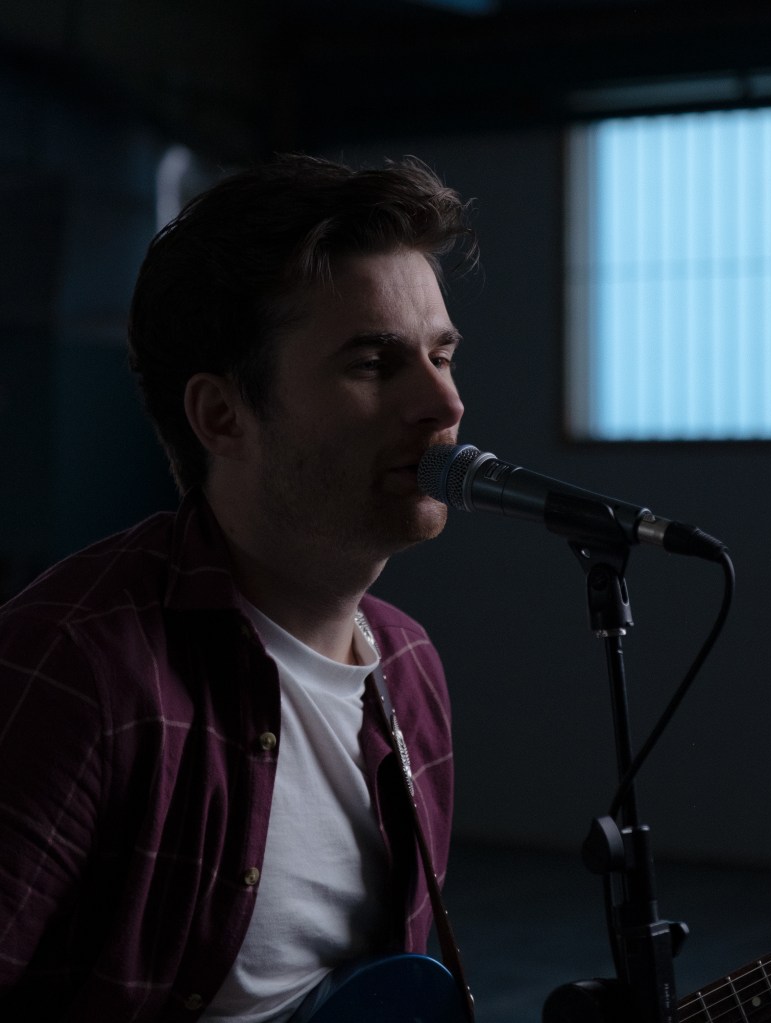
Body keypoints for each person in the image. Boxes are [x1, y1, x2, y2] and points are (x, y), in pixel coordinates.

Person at [0, 153, 477, 1021]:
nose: (441, 403)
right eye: (375, 362)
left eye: (441, 355)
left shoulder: (410, 669)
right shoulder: (78, 665)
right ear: (222, 416)